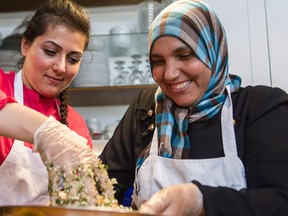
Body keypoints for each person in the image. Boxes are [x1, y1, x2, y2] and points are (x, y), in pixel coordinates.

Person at [99, 0, 288, 215]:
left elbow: (280, 200)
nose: (169, 74)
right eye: (158, 61)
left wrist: (200, 200)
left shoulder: (259, 107)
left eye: (185, 55)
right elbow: (105, 184)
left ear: (213, 51)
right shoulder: (146, 107)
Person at [0, 0, 93, 205]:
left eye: (73, 59)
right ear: (25, 45)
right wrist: (47, 132)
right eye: (51, 51)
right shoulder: (2, 86)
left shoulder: (75, 125)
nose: (60, 67)